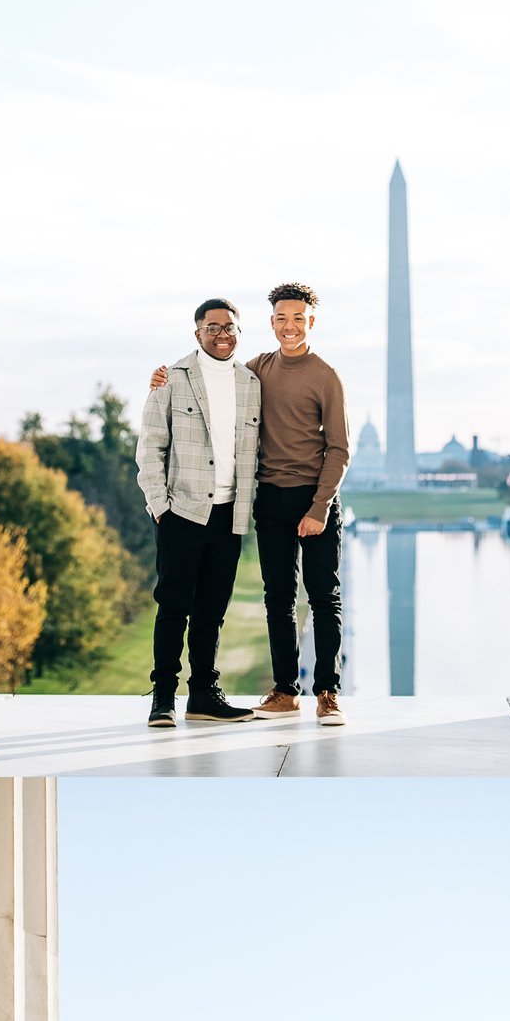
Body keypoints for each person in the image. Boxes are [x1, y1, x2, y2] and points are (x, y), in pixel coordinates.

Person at [151, 281, 351, 722]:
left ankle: (328, 692)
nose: (289, 326)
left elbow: (339, 449)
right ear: (270, 322)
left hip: (315, 499)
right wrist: (162, 380)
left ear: (310, 321)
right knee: (277, 598)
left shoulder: (326, 376)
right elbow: (212, 374)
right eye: (281, 318)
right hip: (270, 501)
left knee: (323, 597)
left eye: (298, 318)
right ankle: (285, 691)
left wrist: (320, 507)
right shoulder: (257, 369)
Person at [134, 297, 261, 727]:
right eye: (213, 328)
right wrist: (159, 507)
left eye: (230, 328)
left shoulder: (250, 383)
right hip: (182, 512)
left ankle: (204, 695)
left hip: (230, 513)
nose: (222, 335)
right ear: (197, 333)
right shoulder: (171, 378)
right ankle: (163, 698)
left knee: (212, 610)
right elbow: (150, 446)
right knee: (173, 607)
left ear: (238, 333)